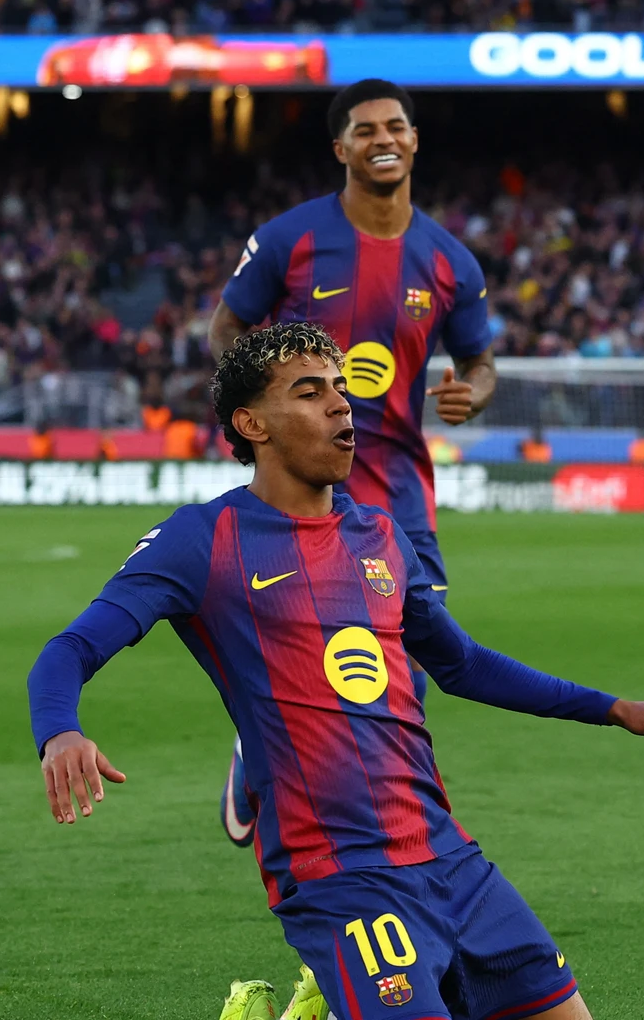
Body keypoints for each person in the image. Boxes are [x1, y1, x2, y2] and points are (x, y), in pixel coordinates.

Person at [27, 324, 644, 1020]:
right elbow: (71, 647)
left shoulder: (380, 535)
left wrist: (613, 707)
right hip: (341, 875)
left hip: (451, 858)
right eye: (311, 391)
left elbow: (462, 663)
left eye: (343, 389)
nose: (341, 406)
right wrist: (60, 731)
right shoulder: (203, 540)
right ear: (251, 422)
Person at [206, 78, 495, 850]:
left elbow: (482, 359)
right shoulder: (290, 240)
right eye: (365, 130)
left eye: (396, 125)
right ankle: (280, 763)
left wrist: (473, 391)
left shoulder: (450, 261)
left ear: (415, 138)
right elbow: (227, 324)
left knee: (415, 662)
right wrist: (257, 414)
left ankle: (370, 816)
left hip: (400, 492)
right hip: (302, 491)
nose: (383, 138)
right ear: (341, 148)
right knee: (306, 647)